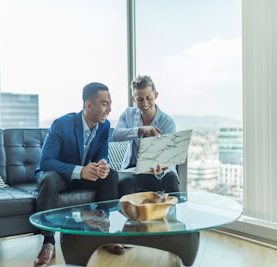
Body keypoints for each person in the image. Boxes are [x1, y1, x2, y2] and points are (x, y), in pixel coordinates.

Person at [33, 82, 123, 267]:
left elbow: (102, 154)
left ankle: (103, 233)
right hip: (61, 176)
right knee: (48, 179)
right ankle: (48, 243)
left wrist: (103, 164)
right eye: (105, 103)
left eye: (110, 103)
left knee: (111, 175)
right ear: (88, 105)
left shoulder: (104, 126)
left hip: (85, 176)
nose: (109, 109)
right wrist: (79, 170)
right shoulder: (61, 124)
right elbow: (46, 162)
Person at [112, 75, 180, 196]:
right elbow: (116, 135)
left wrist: (160, 169)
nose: (145, 103)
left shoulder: (167, 122)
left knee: (171, 179)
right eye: (140, 99)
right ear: (133, 98)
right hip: (134, 170)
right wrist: (140, 130)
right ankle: (130, 214)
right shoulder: (128, 114)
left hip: (158, 171)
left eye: (149, 98)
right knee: (123, 183)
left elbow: (170, 156)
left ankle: (172, 214)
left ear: (156, 95)